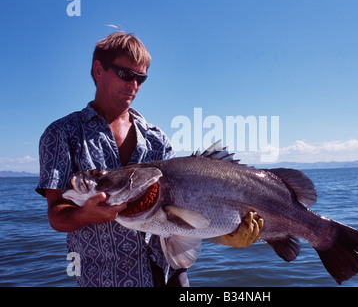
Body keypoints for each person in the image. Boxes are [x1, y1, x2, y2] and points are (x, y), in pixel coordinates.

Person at [36, 30, 263, 287]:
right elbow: (56, 214)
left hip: (169, 276)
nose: (133, 84)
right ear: (98, 70)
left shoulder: (158, 139)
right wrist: (85, 215)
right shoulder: (61, 134)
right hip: (102, 280)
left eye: (141, 78)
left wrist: (225, 234)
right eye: (126, 74)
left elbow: (179, 215)